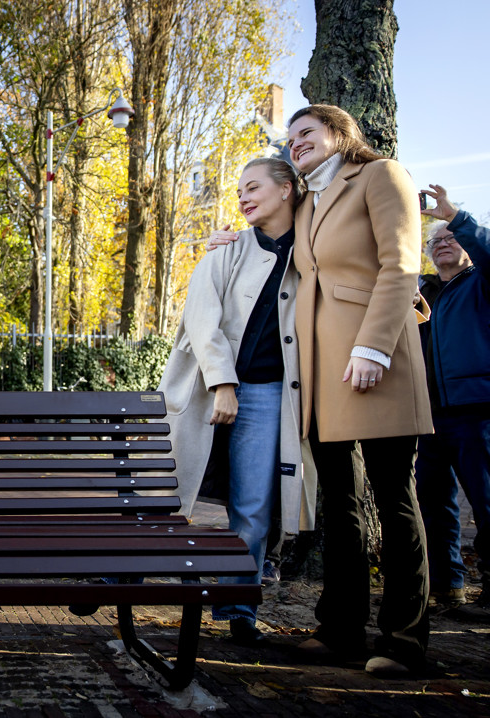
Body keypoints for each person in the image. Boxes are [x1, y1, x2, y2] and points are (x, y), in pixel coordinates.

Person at [284, 104, 433, 677]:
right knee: (338, 504)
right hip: (321, 373)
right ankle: (341, 630)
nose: (296, 143)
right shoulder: (308, 201)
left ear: (340, 134)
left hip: (378, 360)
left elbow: (400, 267)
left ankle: (404, 640)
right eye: (290, 137)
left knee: (394, 499)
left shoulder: (380, 175)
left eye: (307, 132)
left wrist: (373, 347)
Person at [156, 157, 316, 646]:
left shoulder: (311, 252)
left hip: (271, 393)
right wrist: (224, 383)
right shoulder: (225, 250)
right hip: (206, 387)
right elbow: (202, 321)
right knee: (167, 491)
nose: (243, 197)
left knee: (253, 504)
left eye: (254, 187)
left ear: (287, 189)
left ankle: (239, 603)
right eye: (240, 189)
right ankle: (121, 575)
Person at [414, 183, 490, 619]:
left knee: (487, 501)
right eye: (435, 241)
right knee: (433, 504)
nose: (443, 245)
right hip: (429, 415)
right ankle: (447, 587)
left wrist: (456, 217)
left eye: (450, 238)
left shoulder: (480, 283)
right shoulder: (422, 292)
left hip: (478, 410)